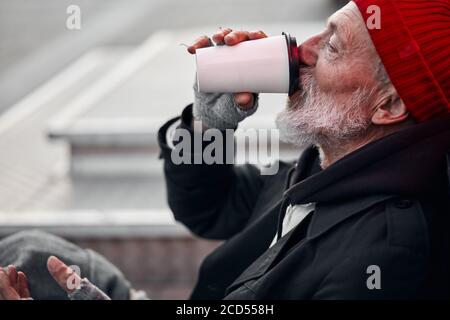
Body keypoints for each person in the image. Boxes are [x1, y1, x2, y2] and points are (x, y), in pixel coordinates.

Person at [1, 0, 449, 300]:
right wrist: (207, 124)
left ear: (389, 105)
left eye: (331, 47)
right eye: (320, 32)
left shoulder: (386, 257)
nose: (302, 51)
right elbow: (207, 209)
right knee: (25, 251)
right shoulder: (328, 166)